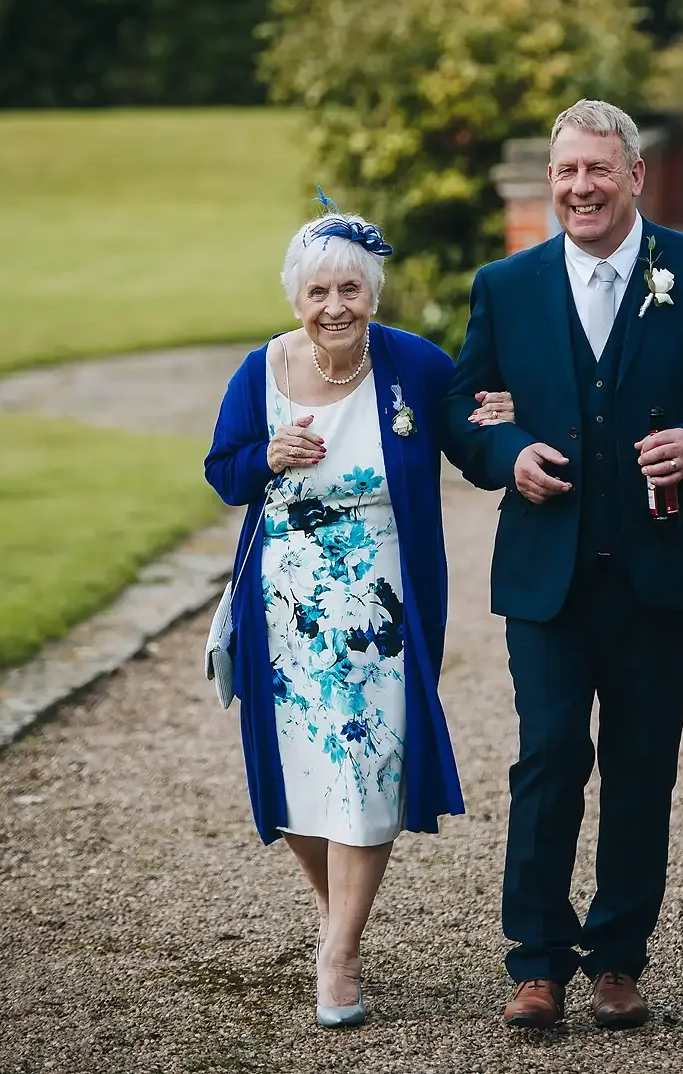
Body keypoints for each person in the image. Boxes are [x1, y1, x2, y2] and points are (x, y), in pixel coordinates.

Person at [446, 99, 683, 1031]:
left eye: (598, 169)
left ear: (636, 175)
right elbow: (462, 410)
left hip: (661, 569)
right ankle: (536, 963)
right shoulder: (504, 286)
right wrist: (506, 455)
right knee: (549, 758)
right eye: (566, 171)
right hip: (546, 572)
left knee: (642, 765)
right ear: (551, 179)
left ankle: (619, 959)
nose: (580, 187)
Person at [204, 210, 511, 1029]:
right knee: (301, 782)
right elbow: (222, 472)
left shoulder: (412, 364)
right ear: (295, 298)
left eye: (350, 288)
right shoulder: (260, 370)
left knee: (369, 773)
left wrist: (507, 433)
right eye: (317, 291)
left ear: (372, 293)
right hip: (285, 608)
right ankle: (339, 917)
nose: (334, 305)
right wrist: (265, 456)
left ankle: (337, 953)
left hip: (382, 607)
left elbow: (470, 441)